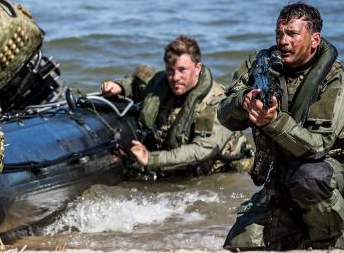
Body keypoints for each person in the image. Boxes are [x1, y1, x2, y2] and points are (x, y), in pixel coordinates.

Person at [217, 2, 344, 250]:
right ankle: (297, 231)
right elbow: (224, 116)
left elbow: (317, 147)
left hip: (332, 176)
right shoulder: (261, 65)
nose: (283, 41)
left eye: (292, 34)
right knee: (237, 248)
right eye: (279, 34)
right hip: (283, 180)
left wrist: (272, 121)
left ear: (315, 39)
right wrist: (244, 101)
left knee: (310, 176)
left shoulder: (336, 82)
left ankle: (326, 241)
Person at [100, 36, 252, 177]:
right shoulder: (163, 82)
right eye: (170, 70)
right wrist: (119, 86)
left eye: (182, 70)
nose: (175, 77)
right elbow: (137, 85)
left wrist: (151, 159)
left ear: (198, 68)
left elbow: (201, 150)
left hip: (221, 172)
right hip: (181, 167)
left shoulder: (217, 102)